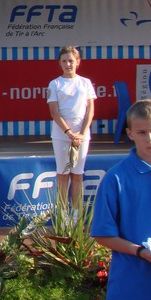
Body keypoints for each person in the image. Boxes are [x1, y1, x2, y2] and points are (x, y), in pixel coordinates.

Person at [91, 99, 151, 300]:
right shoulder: (116, 178)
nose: (150, 139)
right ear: (130, 133)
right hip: (134, 293)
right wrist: (140, 252)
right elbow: (103, 234)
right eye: (142, 132)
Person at [47, 45, 96, 218]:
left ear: (78, 62)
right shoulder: (54, 84)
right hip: (61, 136)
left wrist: (81, 133)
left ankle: (75, 215)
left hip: (82, 136)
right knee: (63, 174)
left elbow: (90, 111)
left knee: (77, 175)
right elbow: (54, 112)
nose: (68, 64)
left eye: (71, 61)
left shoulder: (86, 83)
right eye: (64, 61)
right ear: (60, 63)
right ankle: (63, 215)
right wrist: (69, 132)